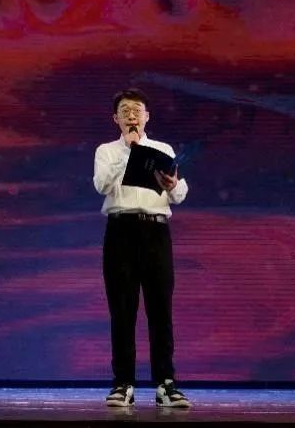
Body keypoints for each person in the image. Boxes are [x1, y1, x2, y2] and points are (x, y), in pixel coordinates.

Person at [93, 88, 191, 408]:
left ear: (147, 116)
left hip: (156, 231)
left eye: (137, 110)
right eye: (125, 111)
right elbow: (101, 185)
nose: (131, 115)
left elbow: (179, 194)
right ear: (116, 119)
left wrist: (173, 184)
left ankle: (166, 383)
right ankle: (123, 383)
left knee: (160, 310)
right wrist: (130, 152)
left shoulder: (162, 149)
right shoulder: (107, 151)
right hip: (120, 231)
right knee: (122, 310)